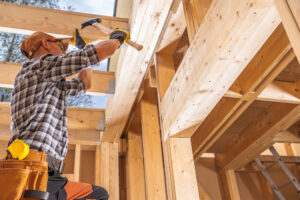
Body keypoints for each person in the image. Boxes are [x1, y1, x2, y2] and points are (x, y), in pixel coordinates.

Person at [6, 30, 128, 199]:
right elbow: (98, 52)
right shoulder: (39, 66)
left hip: (49, 173)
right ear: (46, 44)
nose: (64, 51)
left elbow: (85, 83)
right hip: (31, 168)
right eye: (62, 45)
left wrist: (83, 47)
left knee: (97, 195)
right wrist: (117, 39)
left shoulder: (51, 84)